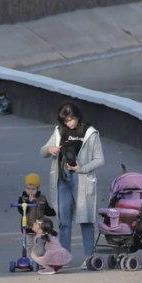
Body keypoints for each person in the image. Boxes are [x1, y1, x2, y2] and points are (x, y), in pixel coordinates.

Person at [41, 100, 104, 259]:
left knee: (86, 220)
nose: (68, 123)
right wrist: (50, 149)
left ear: (77, 116)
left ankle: (90, 257)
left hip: (81, 180)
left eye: (70, 119)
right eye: (65, 120)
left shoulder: (90, 133)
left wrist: (81, 168)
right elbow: (42, 151)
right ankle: (64, 257)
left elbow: (99, 159)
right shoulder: (59, 131)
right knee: (64, 221)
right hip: (63, 180)